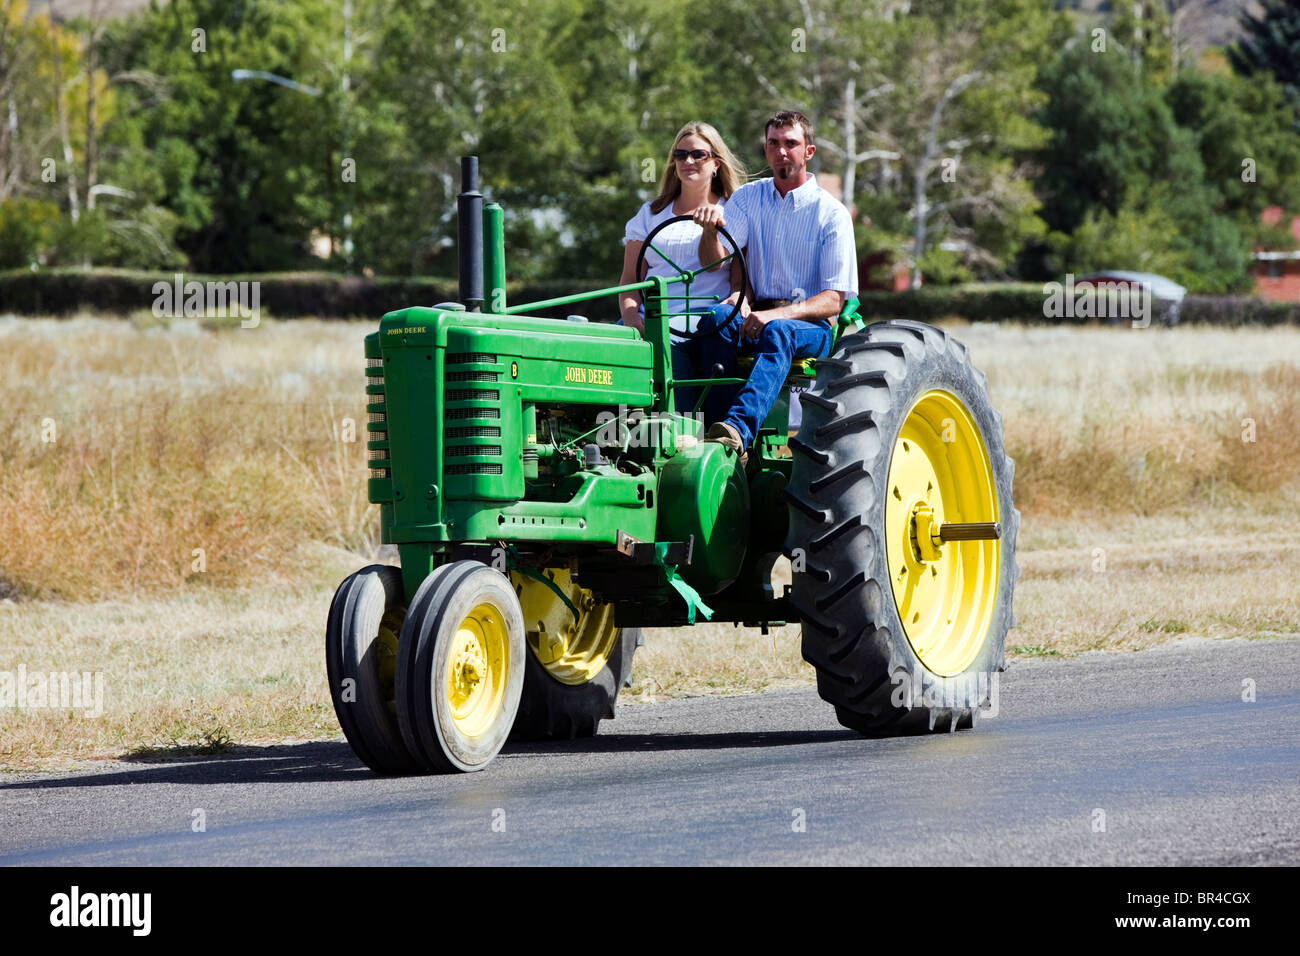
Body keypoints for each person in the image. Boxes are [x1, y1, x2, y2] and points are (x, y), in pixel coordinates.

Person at [690, 110, 858, 460]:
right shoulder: (748, 199)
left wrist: (773, 316)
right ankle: (717, 431)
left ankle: (737, 429)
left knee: (779, 331)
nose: (781, 151)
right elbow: (714, 260)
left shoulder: (832, 215)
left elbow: (832, 302)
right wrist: (709, 231)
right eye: (773, 143)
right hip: (758, 312)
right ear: (766, 149)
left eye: (790, 144)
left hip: (811, 326)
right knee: (714, 320)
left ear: (808, 152)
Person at [618, 122, 747, 413]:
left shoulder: (733, 211)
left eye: (698, 154)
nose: (688, 161)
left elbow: (713, 267)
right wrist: (629, 315)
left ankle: (686, 432)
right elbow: (629, 282)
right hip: (650, 318)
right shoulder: (650, 213)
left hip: (704, 319)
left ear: (715, 163)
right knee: (606, 345)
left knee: (671, 346)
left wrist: (710, 230)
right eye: (680, 154)